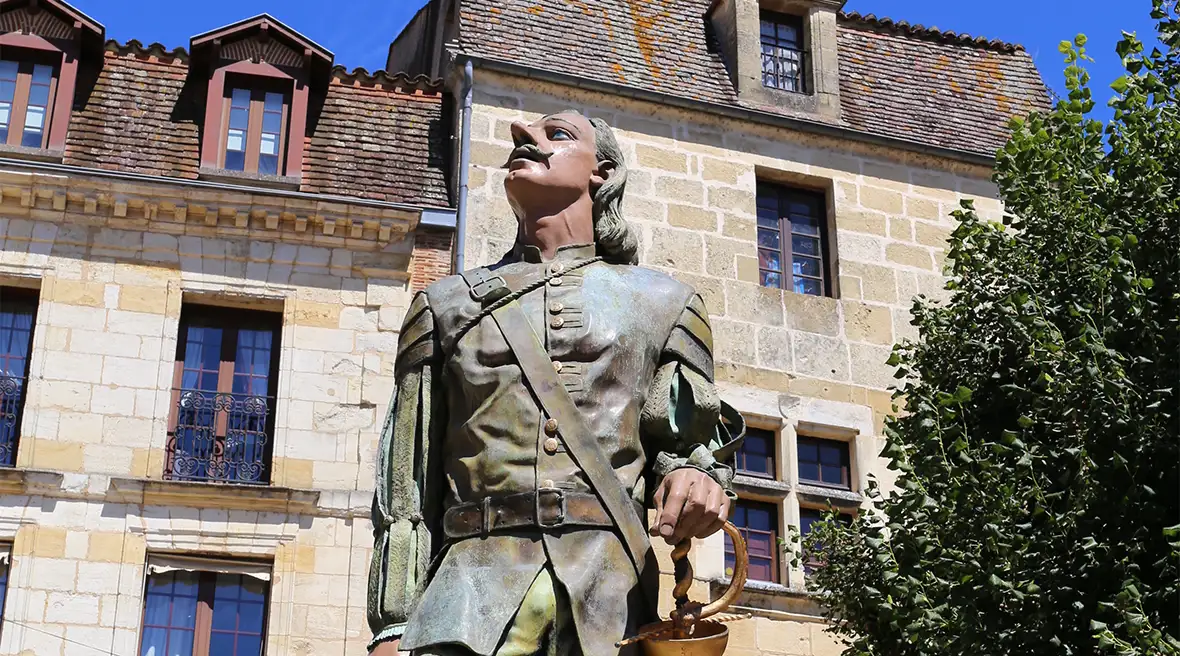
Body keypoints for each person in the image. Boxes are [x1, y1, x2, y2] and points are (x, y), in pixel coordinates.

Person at [367, 111, 744, 656]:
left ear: (603, 172)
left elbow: (683, 446)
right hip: (465, 598)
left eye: (557, 134)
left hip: (608, 598)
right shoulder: (444, 307)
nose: (524, 135)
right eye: (525, 134)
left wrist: (698, 481)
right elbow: (406, 485)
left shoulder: (667, 304)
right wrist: (393, 625)